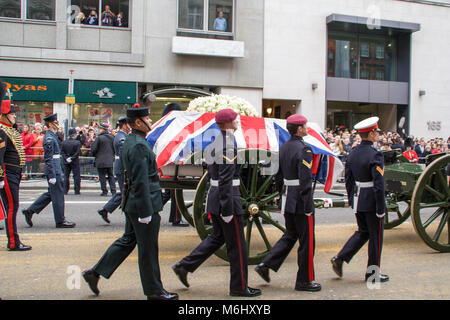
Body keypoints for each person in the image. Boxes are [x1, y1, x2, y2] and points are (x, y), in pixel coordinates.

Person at [82, 104, 178, 300]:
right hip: (144, 204)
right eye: (148, 119)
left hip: (135, 202)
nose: (150, 121)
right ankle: (154, 291)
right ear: (138, 122)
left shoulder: (133, 141)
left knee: (128, 241)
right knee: (148, 249)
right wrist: (145, 211)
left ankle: (95, 273)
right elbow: (141, 180)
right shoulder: (139, 145)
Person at [172, 109, 261, 297]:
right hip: (227, 199)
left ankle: (185, 266)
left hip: (216, 197)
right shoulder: (228, 143)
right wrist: (228, 209)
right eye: (234, 119)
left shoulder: (216, 141)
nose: (237, 121)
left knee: (217, 237)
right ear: (228, 123)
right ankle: (239, 287)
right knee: (237, 246)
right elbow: (226, 178)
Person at [254, 114, 321, 292]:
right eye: (305, 126)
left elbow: (278, 176)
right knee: (307, 241)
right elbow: (305, 180)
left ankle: (266, 265)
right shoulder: (304, 149)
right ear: (299, 129)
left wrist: (282, 195)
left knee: (291, 235)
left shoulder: (283, 148)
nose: (306, 128)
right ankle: (304, 280)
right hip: (301, 200)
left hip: (288, 198)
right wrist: (307, 205)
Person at [330, 116, 389, 284]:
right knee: (376, 238)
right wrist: (380, 207)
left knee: (363, 232)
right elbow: (378, 184)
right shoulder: (375, 154)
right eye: (376, 132)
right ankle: (373, 274)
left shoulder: (353, 152)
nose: (377, 135)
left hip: (359, 199)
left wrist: (351, 199)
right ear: (371, 134)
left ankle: (341, 257)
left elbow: (348, 179)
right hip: (371, 200)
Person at [21, 114, 76, 228]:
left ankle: (30, 211)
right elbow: (48, 157)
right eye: (56, 122)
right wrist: (52, 175)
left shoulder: (52, 135)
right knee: (58, 195)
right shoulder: (50, 137)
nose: (58, 124)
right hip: (53, 169)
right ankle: (60, 221)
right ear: (50, 124)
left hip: (55, 168)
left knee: (52, 194)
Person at [0, 82, 31, 250]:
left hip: (14, 173)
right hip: (7, 173)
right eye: (11, 114)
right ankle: (13, 242)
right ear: (4, 115)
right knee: (12, 207)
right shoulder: (2, 131)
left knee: (12, 207)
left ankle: (14, 240)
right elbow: (0, 157)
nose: (14, 117)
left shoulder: (9, 130)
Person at [158, 103, 189, 227]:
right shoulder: (172, 130)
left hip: (169, 164)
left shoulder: (167, 128)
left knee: (169, 193)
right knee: (175, 192)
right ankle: (176, 218)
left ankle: (151, 209)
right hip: (171, 165)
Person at [97, 117, 130, 223]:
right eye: (129, 124)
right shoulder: (121, 137)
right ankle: (128, 218)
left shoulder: (122, 135)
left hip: (121, 167)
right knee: (126, 192)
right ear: (124, 125)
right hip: (122, 168)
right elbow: (124, 154)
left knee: (125, 192)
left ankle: (105, 209)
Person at [91, 124, 116, 196]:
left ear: (102, 129)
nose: (98, 130)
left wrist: (95, 154)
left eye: (99, 129)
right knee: (111, 176)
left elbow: (94, 149)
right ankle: (113, 191)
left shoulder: (99, 138)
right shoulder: (112, 137)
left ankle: (104, 191)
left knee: (102, 176)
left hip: (100, 160)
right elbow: (115, 148)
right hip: (109, 160)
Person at [61, 128, 82, 195]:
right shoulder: (77, 142)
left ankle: (65, 190)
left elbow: (62, 152)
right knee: (76, 176)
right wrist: (72, 158)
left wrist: (66, 158)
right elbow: (77, 152)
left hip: (66, 161)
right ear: (74, 135)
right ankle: (77, 190)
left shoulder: (64, 142)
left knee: (66, 176)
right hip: (75, 161)